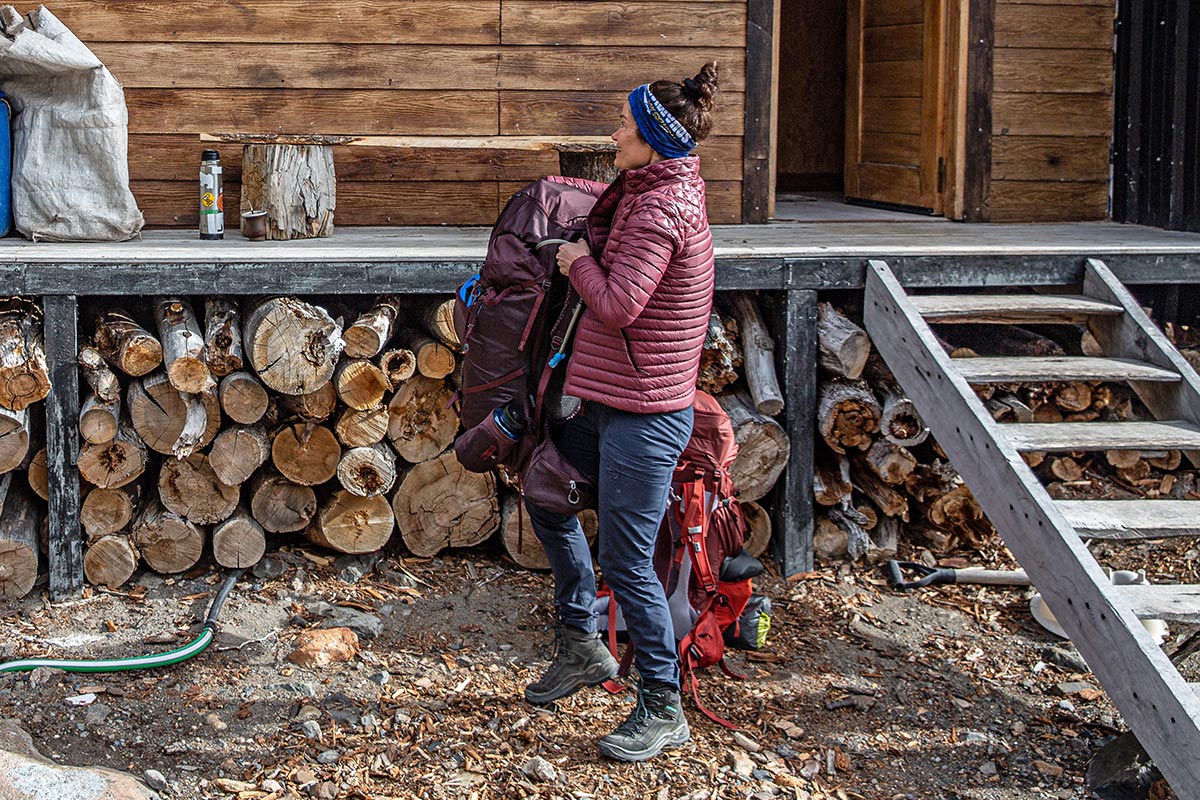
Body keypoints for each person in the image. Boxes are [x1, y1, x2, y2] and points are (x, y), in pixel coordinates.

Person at [522, 61, 720, 763]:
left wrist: (576, 258)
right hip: (609, 399)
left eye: (626, 128)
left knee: (628, 561)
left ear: (654, 143)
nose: (613, 135)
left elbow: (617, 304)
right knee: (544, 492)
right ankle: (582, 645)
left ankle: (664, 708)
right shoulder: (647, 191)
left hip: (643, 414)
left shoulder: (662, 210)